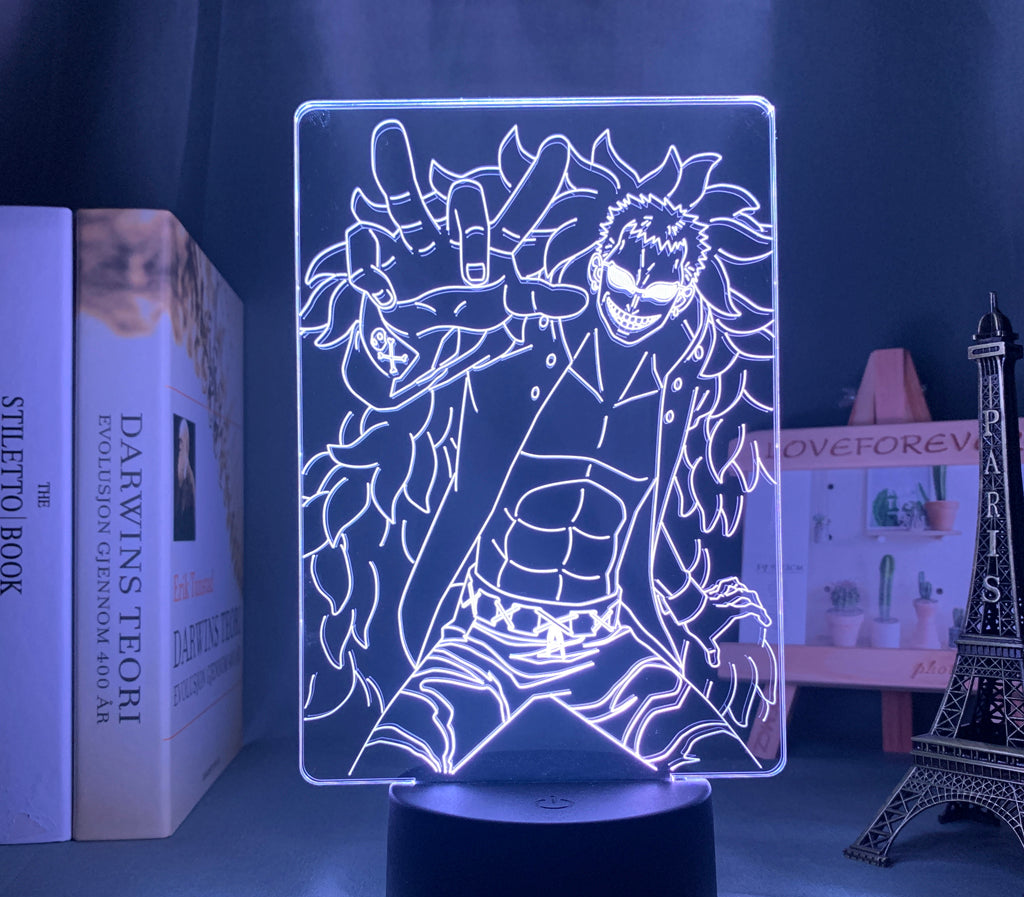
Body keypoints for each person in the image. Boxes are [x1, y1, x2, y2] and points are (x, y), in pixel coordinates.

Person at [301, 119, 777, 777]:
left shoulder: (670, 398)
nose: (632, 307)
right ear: (597, 265)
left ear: (683, 296)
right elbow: (394, 388)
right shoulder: (526, 353)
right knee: (398, 769)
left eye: (654, 297)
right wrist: (393, 321)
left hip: (607, 648)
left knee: (714, 763)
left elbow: (637, 553)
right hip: (483, 641)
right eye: (621, 285)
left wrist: (686, 636)